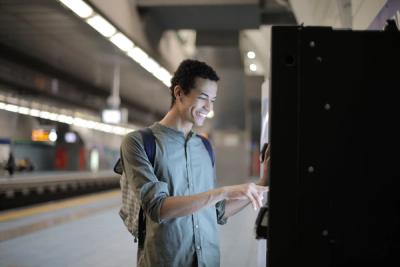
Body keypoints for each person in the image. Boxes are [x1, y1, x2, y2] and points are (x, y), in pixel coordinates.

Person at [120, 59, 270, 267]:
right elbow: (158, 208)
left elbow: (217, 212)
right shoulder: (140, 142)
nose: (208, 107)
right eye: (203, 98)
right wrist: (224, 191)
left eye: (213, 100)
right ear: (179, 92)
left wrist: (262, 182)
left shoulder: (205, 147)